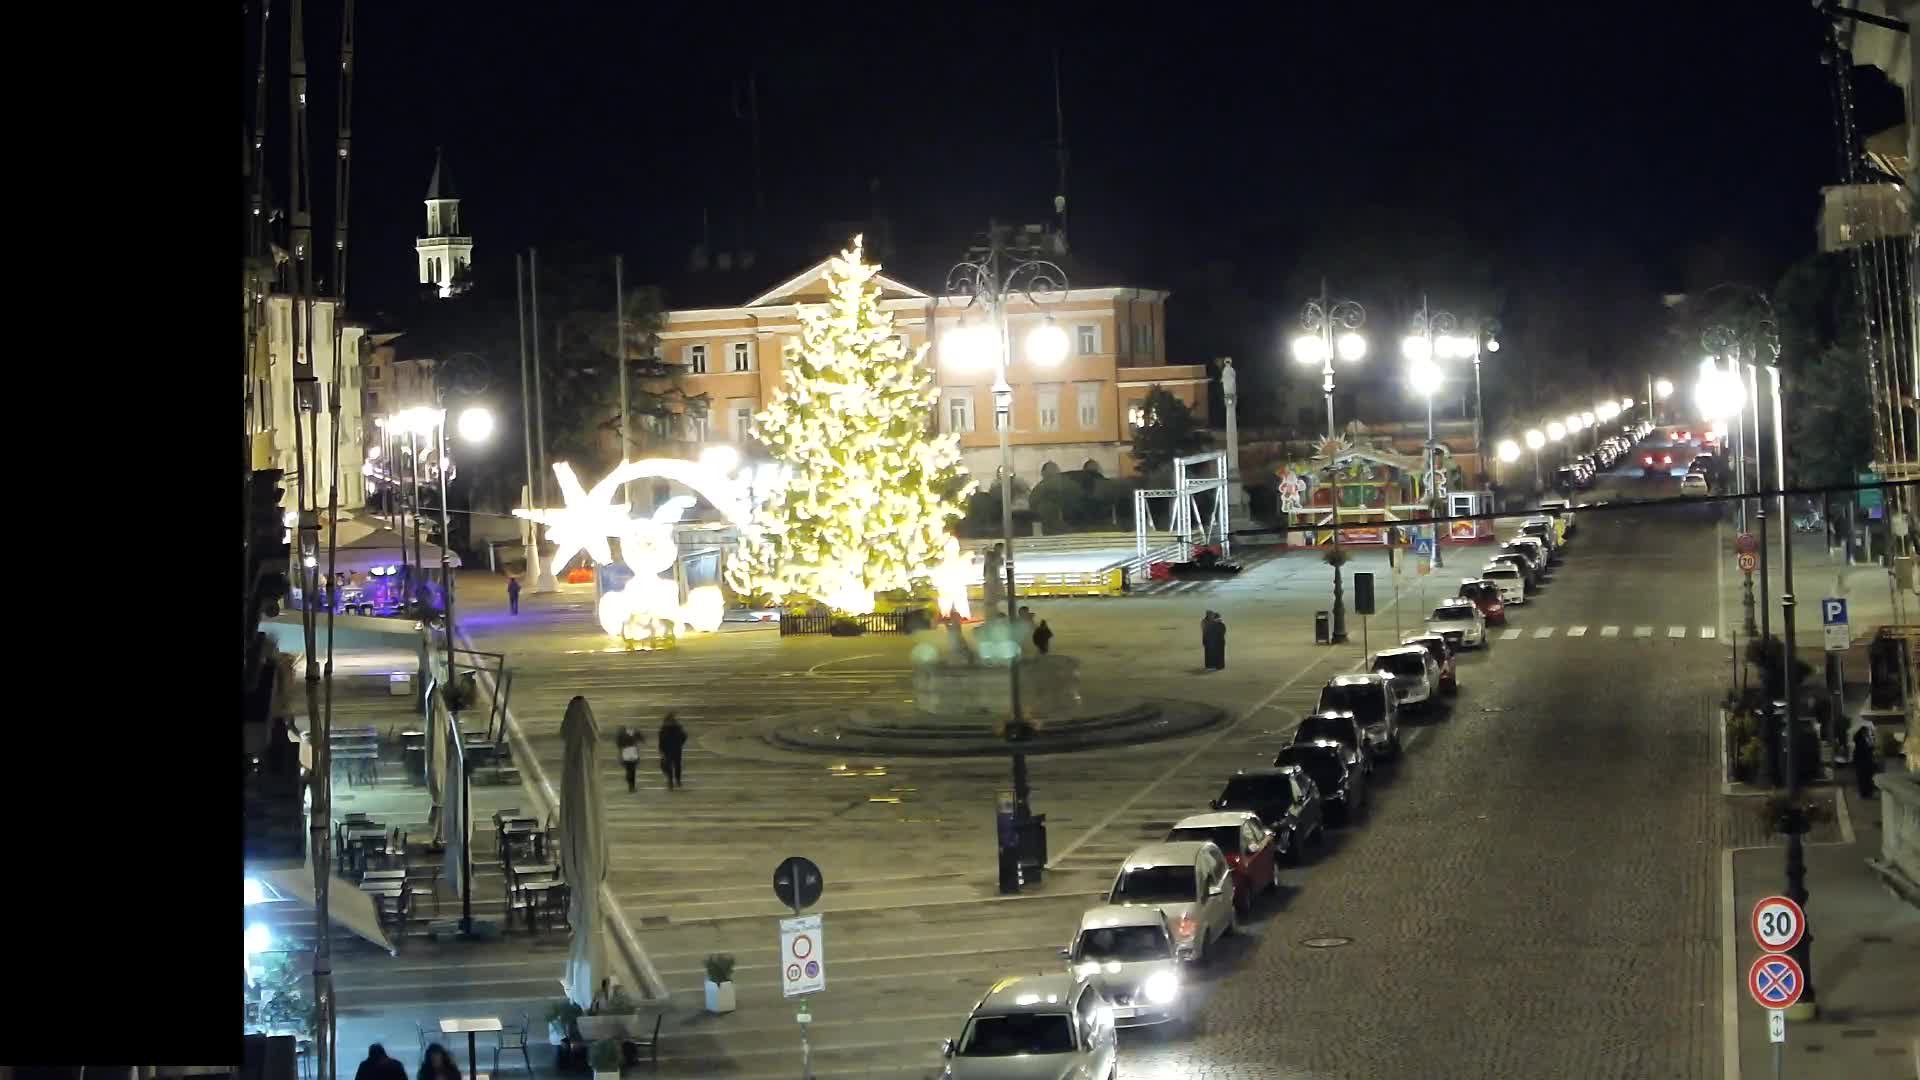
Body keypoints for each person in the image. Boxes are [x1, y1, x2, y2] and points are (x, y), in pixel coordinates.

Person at [658, 712, 688, 790]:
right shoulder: (677, 727)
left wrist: (661, 750)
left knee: (670, 766)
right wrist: (680, 744)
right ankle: (676, 781)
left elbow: (661, 741)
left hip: (669, 750)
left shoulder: (664, 729)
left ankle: (672, 781)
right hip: (675, 749)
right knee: (676, 765)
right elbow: (684, 736)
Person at [1853, 723, 1878, 798]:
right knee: (1865, 779)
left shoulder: (1859, 740)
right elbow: (1867, 750)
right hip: (1864, 763)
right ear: (1863, 732)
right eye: (1867, 732)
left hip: (1861, 763)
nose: (1868, 733)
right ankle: (1866, 793)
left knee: (1862, 779)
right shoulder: (1862, 741)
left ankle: (1864, 793)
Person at [616, 724, 644, 793]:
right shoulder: (633, 733)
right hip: (632, 752)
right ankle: (632, 786)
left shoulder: (621, 735)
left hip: (626, 753)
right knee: (632, 770)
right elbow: (641, 738)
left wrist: (620, 755)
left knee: (629, 769)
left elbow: (619, 745)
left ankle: (630, 785)